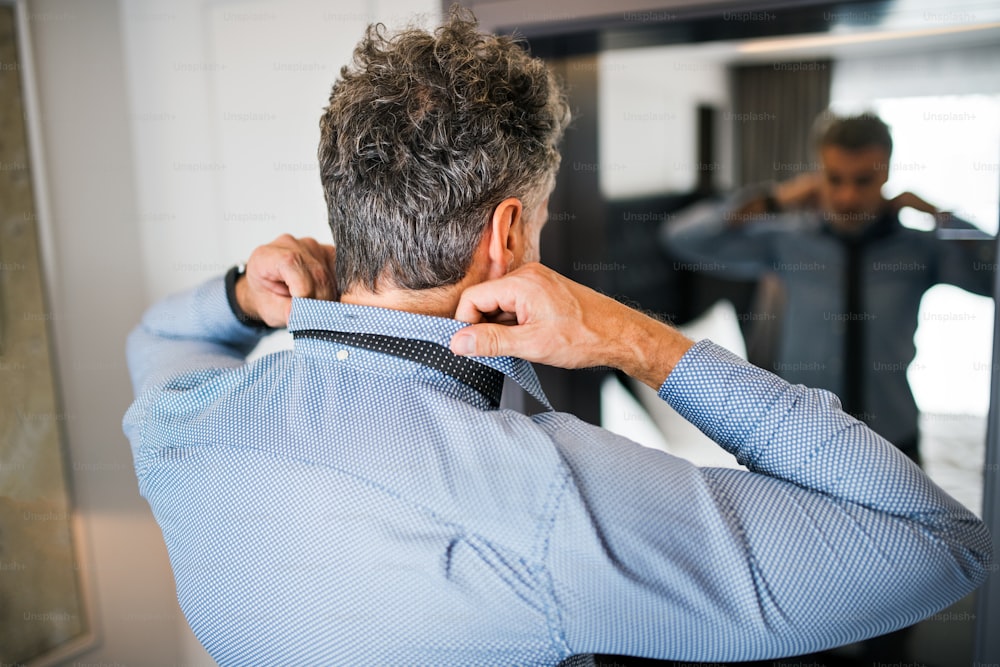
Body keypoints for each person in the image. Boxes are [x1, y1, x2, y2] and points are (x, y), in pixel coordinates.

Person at [123, 12, 991, 666]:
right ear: (507, 235)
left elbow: (156, 337)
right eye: (537, 218)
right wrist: (631, 340)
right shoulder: (552, 498)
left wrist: (242, 295)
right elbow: (936, 542)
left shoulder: (181, 428)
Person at [661, 112, 995, 467]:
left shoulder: (921, 249)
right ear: (819, 173)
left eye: (863, 180)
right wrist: (774, 199)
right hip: (803, 441)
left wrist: (941, 217)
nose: (847, 197)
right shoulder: (788, 241)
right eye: (835, 179)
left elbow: (992, 278)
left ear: (886, 174)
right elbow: (682, 239)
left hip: (894, 441)